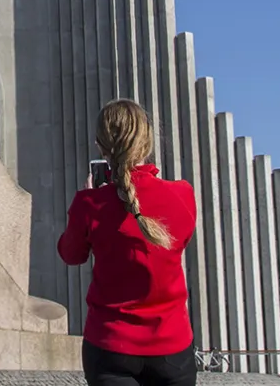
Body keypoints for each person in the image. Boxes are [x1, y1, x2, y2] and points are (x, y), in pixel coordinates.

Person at [58, 99, 199, 386]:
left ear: (101, 146)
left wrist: (89, 200)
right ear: (147, 142)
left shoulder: (89, 203)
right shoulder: (182, 195)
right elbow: (176, 244)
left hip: (110, 344)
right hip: (172, 346)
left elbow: (71, 254)